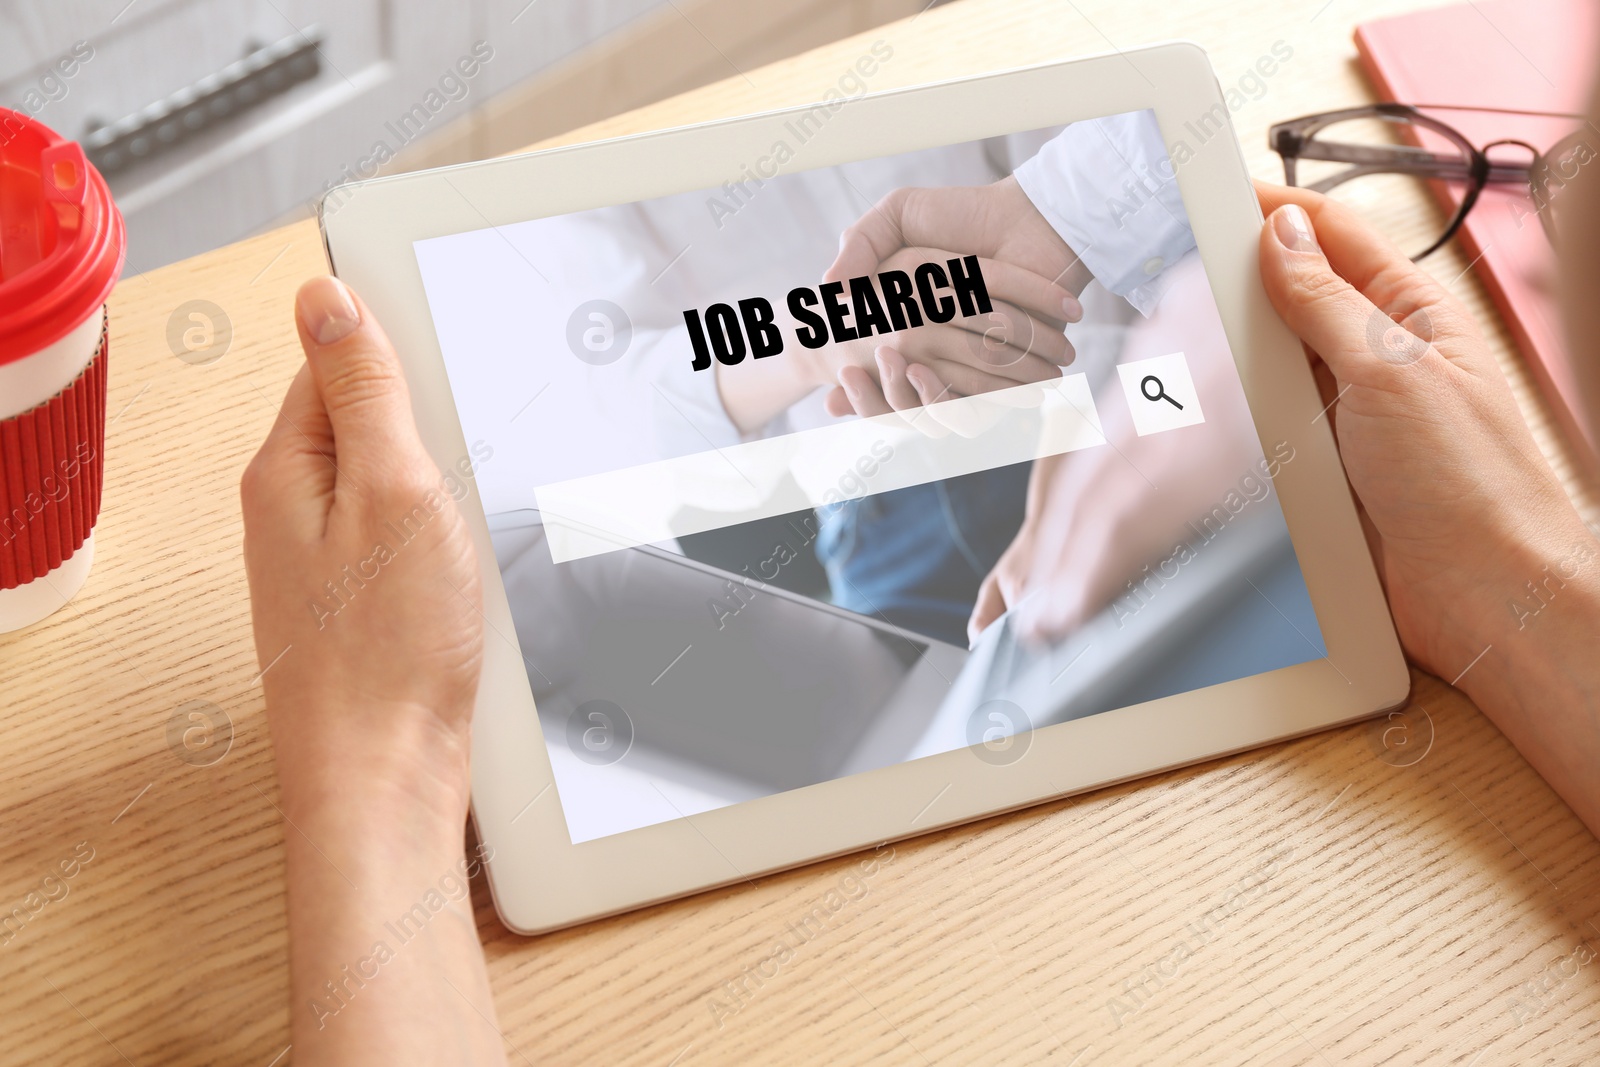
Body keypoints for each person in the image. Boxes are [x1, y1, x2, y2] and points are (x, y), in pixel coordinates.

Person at [242, 136, 1600, 1067]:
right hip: (877, 460)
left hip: (1115, 412)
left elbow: (1162, 228)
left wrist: (1077, 266)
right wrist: (835, 330)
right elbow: (569, 425)